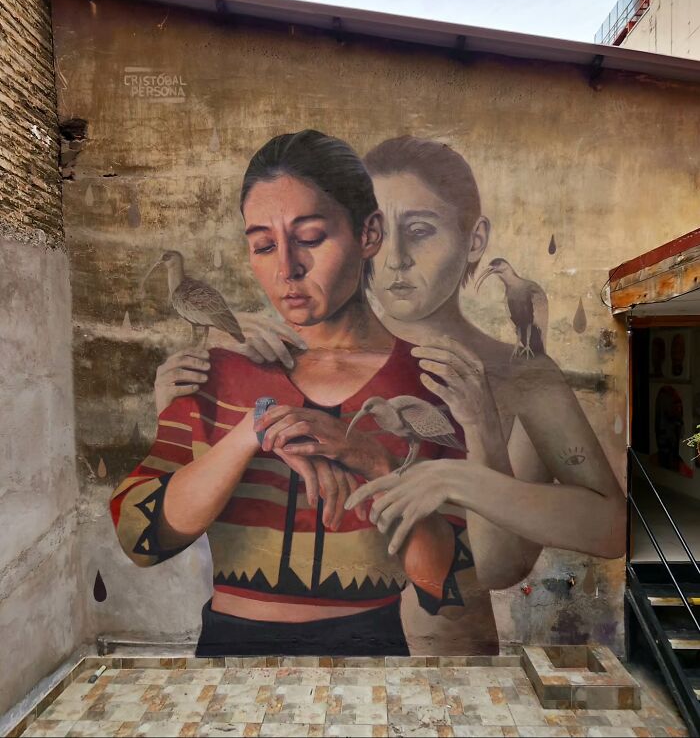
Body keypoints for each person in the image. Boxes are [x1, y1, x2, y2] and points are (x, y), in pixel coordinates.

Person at [111, 130, 471, 657]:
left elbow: (441, 578)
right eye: (263, 245)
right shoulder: (215, 376)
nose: (286, 268)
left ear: (369, 233)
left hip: (370, 653)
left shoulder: (426, 385)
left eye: (310, 237)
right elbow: (139, 537)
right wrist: (252, 431)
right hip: (230, 652)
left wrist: (371, 460)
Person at [345, 136, 626, 574]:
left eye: (419, 231)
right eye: (378, 233)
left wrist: (473, 459)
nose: (395, 259)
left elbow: (504, 567)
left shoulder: (522, 374)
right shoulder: (329, 360)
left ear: (474, 240)